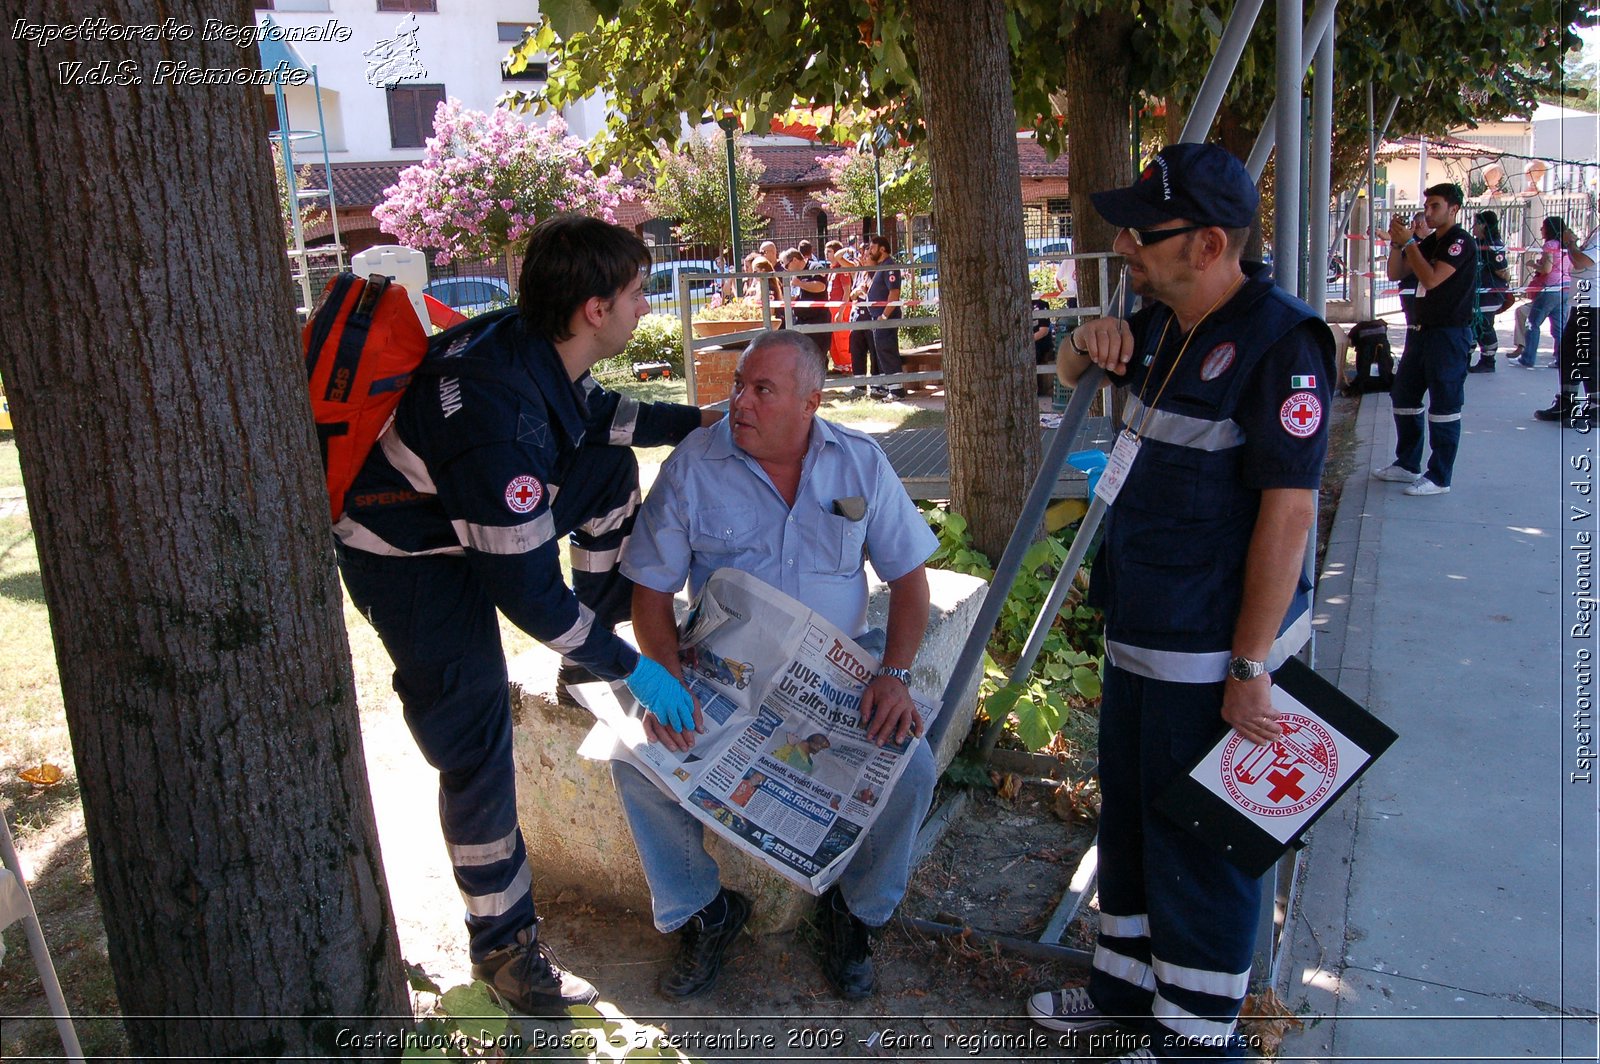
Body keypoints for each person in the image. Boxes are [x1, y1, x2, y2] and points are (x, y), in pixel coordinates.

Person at [335, 214, 717, 1015]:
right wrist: (634, 664)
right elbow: (529, 598)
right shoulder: (497, 426)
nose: (645, 306)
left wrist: (699, 424)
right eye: (639, 292)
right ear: (594, 309)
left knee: (608, 470)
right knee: (474, 734)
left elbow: (597, 419)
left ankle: (591, 650)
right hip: (408, 556)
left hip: (466, 514)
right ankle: (505, 946)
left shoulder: (526, 341)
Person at [1028, 143, 1334, 1061]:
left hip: (1212, 656)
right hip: (1141, 636)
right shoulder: (1154, 318)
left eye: (1142, 231)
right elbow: (1070, 378)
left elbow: (1289, 515)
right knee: (1127, 827)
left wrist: (1248, 668)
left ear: (1207, 243)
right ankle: (1123, 1000)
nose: (1123, 241)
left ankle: (1198, 1041)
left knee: (1202, 851)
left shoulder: (1283, 342)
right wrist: (1086, 339)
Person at [614, 330, 939, 1001]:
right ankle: (704, 911)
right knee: (633, 759)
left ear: (810, 402)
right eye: (738, 385)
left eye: (762, 389)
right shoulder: (693, 466)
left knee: (912, 767)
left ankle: (856, 914)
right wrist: (663, 679)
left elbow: (910, 583)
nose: (740, 401)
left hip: (839, 674)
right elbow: (648, 594)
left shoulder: (860, 462)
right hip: (721, 671)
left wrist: (896, 675)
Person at [1371, 182, 1477, 496]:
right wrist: (1397, 244)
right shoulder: (1429, 243)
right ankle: (1407, 464)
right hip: (1420, 331)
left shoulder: (1459, 243)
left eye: (1435, 206)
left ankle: (1439, 475)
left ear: (1453, 209)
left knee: (1444, 405)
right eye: (1427, 205)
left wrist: (1411, 245)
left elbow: (1430, 279)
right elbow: (1395, 272)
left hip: (1448, 334)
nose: (1428, 212)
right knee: (1404, 395)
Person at [1536, 221, 1598, 424]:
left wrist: (1571, 243)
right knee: (1568, 352)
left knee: (1589, 356)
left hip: (1594, 305)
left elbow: (1581, 261)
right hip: (1582, 302)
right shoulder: (1597, 230)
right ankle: (1567, 402)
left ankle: (1596, 407)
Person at [851, 235, 906, 400]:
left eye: (873, 248)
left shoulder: (889, 266)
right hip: (877, 317)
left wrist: (884, 315)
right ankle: (886, 387)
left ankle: (896, 390)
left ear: (882, 249)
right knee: (881, 351)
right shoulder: (881, 267)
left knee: (888, 350)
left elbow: (894, 292)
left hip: (885, 317)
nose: (870, 251)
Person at [1519, 216, 1571, 369]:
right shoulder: (1567, 245)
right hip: (1566, 288)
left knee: (1532, 323)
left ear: (1549, 229)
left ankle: (1528, 358)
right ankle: (1561, 360)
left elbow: (1546, 269)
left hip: (1551, 289)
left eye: (1543, 227)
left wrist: (1532, 264)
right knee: (1559, 326)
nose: (1541, 230)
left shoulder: (1549, 245)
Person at [1467, 210, 1511, 373]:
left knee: (1484, 327)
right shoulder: (1478, 242)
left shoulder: (1493, 243)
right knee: (1472, 326)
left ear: (1483, 225)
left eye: (1475, 223)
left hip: (1489, 295)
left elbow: (1501, 269)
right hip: (1477, 294)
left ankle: (1488, 360)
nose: (1473, 227)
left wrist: (1507, 278)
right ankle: (1466, 358)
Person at [782, 246, 831, 355]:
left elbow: (821, 286)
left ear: (794, 260)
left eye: (786, 266)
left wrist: (800, 284)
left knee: (817, 355)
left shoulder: (815, 267)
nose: (786, 269)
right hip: (800, 320)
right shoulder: (795, 274)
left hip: (817, 320)